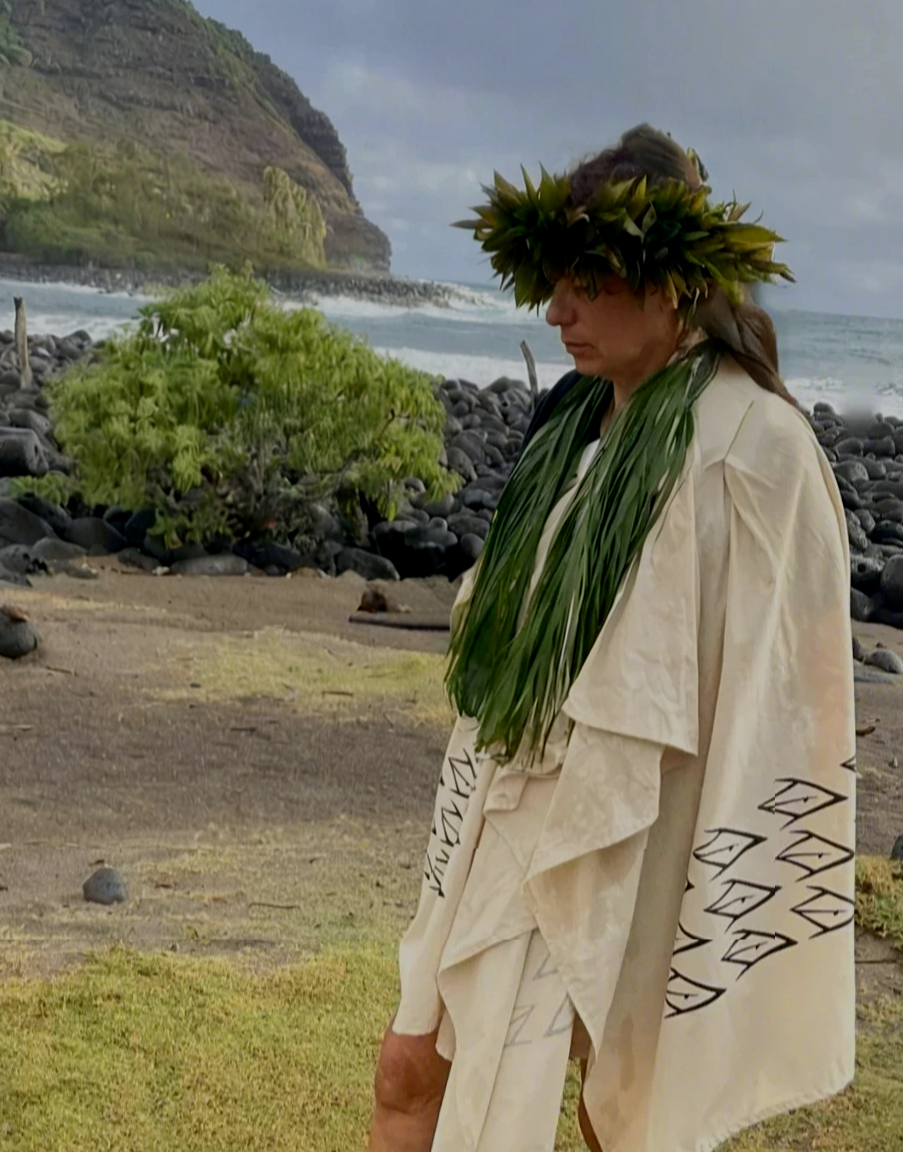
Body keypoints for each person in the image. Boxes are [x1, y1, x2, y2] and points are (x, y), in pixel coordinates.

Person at [367, 124, 858, 1152]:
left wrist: (723, 880)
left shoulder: (755, 445)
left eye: (588, 282)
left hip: (647, 822)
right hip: (510, 791)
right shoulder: (569, 427)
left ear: (673, 285)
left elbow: (795, 677)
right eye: (555, 281)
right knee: (411, 1064)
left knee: (620, 1111)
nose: (558, 310)